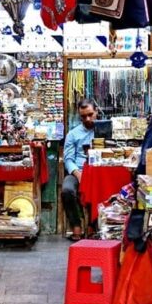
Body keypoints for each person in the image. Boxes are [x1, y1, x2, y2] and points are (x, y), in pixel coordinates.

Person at [61, 98, 96, 241]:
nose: (87, 119)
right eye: (83, 116)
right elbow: (68, 159)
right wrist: (78, 174)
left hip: (97, 171)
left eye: (90, 114)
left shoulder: (105, 130)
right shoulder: (73, 134)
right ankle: (76, 224)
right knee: (67, 190)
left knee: (103, 188)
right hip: (78, 171)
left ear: (96, 112)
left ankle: (93, 225)